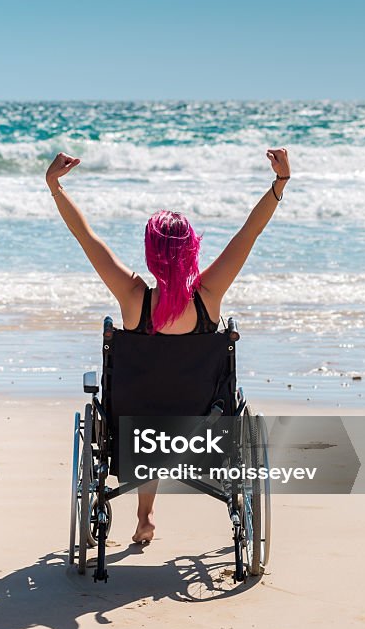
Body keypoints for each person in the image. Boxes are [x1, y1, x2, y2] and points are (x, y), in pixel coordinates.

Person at [46, 148, 291, 544]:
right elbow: (250, 233)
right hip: (201, 432)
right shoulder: (208, 295)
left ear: (151, 253)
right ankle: (147, 514)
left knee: (149, 408)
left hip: (135, 433)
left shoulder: (133, 297)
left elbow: (84, 236)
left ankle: (145, 516)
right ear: (192, 247)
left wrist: (54, 187)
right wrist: (279, 184)